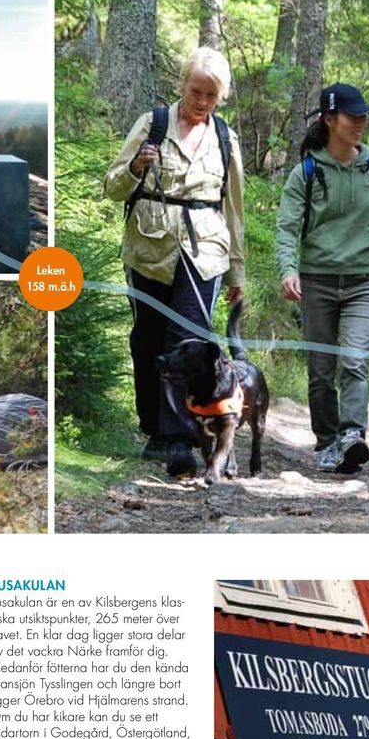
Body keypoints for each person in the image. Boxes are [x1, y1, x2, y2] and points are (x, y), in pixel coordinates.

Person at [105, 47, 246, 476]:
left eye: (211, 95)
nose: (202, 101)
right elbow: (112, 187)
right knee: (147, 340)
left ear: (220, 97)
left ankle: (181, 438)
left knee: (187, 343)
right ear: (182, 84)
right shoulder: (153, 124)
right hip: (149, 248)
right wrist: (134, 167)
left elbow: (235, 209)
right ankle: (154, 429)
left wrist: (238, 271)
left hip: (204, 253)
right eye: (196, 91)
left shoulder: (225, 138)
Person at [276, 83, 369, 473]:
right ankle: (327, 442)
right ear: (329, 119)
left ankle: (353, 436)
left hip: (364, 283)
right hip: (317, 281)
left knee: (353, 361)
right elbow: (287, 228)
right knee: (321, 370)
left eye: (364, 117)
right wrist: (288, 270)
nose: (360, 124)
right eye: (353, 117)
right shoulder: (307, 171)